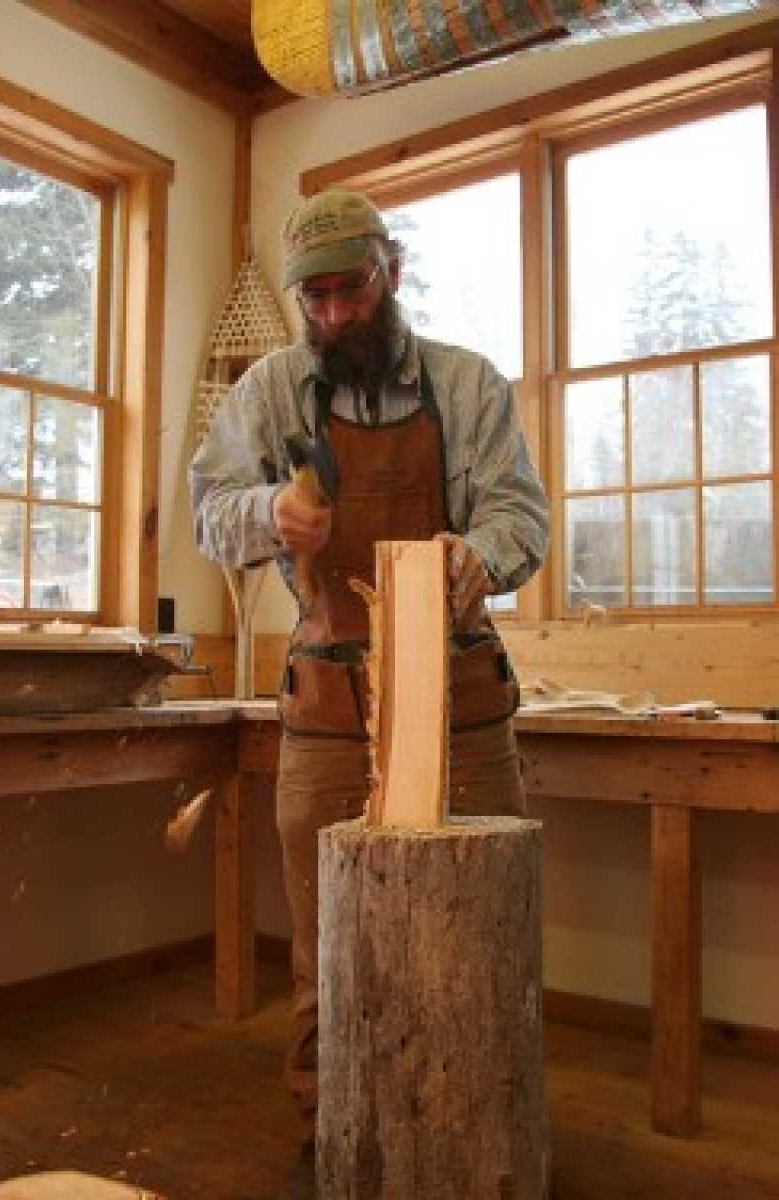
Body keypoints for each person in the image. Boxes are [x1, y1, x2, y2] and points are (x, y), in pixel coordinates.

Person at [190, 188, 549, 1194]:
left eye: (352, 290)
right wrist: (269, 511)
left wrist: (475, 557)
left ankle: (481, 1136)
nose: (336, 316)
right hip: (323, 711)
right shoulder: (269, 391)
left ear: (388, 272)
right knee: (327, 945)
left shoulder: (465, 383)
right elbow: (207, 510)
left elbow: (521, 515)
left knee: (477, 930)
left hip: (460, 705)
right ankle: (334, 1137)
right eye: (317, 298)